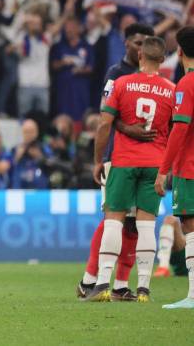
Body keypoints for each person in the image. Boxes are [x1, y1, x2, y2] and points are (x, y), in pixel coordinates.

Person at [86, 36, 175, 302]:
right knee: (147, 225)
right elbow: (176, 130)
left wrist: (98, 160)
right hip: (154, 163)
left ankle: (102, 284)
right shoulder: (171, 90)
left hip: (124, 161)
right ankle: (144, 289)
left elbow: (104, 124)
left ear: (140, 57)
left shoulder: (121, 84)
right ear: (162, 60)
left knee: (114, 219)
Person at [76, 22, 155, 301]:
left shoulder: (153, 78)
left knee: (133, 224)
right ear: (126, 44)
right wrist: (128, 130)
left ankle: (121, 284)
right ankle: (89, 280)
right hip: (117, 155)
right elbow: (105, 115)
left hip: (143, 159)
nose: (141, 47)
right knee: (113, 218)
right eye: (137, 42)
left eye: (146, 42)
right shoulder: (116, 74)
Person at [155, 25, 194, 309]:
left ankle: (193, 295)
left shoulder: (186, 84)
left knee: (190, 225)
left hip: (189, 168)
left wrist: (163, 169)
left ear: (179, 51)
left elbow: (179, 130)